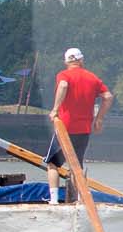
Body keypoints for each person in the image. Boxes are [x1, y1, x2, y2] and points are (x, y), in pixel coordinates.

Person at [46, 47, 111, 203]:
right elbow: (108, 97)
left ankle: (53, 200)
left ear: (66, 61)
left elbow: (63, 86)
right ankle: (80, 199)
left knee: (52, 163)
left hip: (65, 127)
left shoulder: (64, 75)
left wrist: (55, 109)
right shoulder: (92, 78)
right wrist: (99, 119)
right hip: (84, 128)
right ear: (81, 60)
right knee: (76, 165)